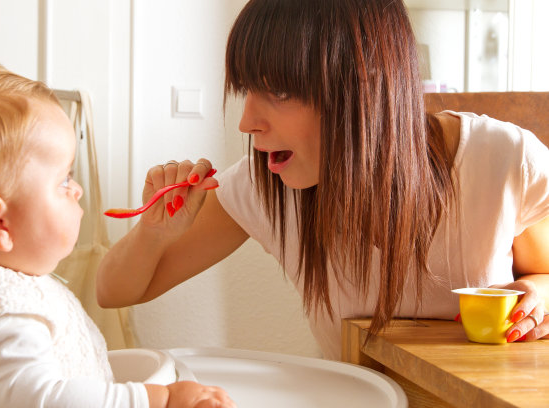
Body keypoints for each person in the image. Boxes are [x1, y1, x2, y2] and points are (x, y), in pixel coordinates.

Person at [97, 0, 549, 360]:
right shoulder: (265, 187)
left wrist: (540, 291)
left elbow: (543, 270)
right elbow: (114, 291)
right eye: (246, 91)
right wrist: (153, 234)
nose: (247, 122)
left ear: (364, 84)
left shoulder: (501, 158)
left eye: (277, 91)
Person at [0, 59, 235, 408]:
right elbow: (42, 400)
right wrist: (159, 399)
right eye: (63, 179)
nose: (77, 190)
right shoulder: (1, 309)